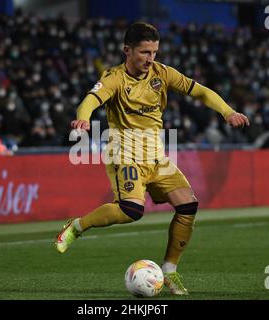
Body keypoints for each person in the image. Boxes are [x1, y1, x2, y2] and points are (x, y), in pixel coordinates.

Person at [54, 22, 250, 295]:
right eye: (145, 52)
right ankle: (76, 227)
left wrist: (228, 112)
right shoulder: (114, 78)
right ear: (127, 51)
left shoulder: (162, 73)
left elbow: (201, 91)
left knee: (188, 205)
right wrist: (83, 119)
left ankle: (169, 272)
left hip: (156, 155)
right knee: (131, 211)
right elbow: (90, 99)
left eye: (154, 52)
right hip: (125, 153)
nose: (150, 59)